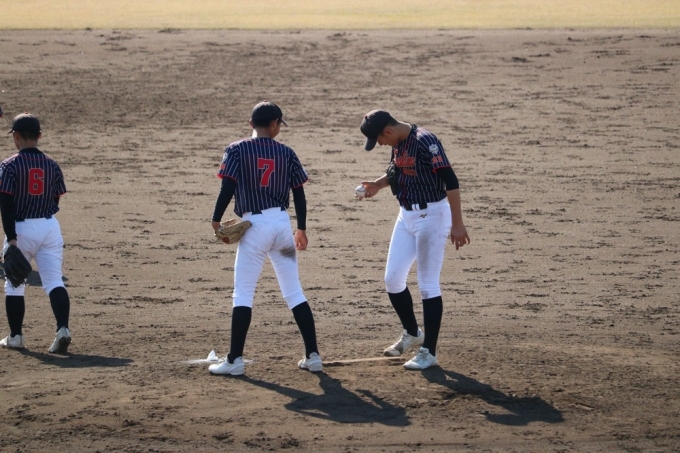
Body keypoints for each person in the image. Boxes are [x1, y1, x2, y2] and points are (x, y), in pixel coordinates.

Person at [208, 101, 322, 376]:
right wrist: (301, 228)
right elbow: (299, 193)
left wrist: (216, 219)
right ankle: (313, 356)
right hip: (281, 225)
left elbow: (228, 186)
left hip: (255, 227)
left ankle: (234, 360)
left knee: (243, 293)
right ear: (275, 124)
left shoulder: (236, 149)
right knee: (294, 292)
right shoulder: (287, 152)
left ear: (251, 124)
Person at [357, 110, 470, 370]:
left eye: (379, 140)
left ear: (388, 131)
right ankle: (412, 332)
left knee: (428, 284)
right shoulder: (398, 142)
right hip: (406, 216)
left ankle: (429, 352)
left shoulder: (425, 141)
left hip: (432, 216)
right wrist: (377, 184)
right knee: (392, 279)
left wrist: (458, 223)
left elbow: (451, 181)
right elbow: (397, 171)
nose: (380, 144)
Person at [0, 113, 72, 353]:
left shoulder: (9, 165)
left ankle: (16, 336)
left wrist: (12, 239)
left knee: (14, 285)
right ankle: (63, 329)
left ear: (16, 136)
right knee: (54, 281)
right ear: (39, 136)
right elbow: (56, 198)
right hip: (49, 228)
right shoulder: (52, 165)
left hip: (21, 229)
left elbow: (6, 205)